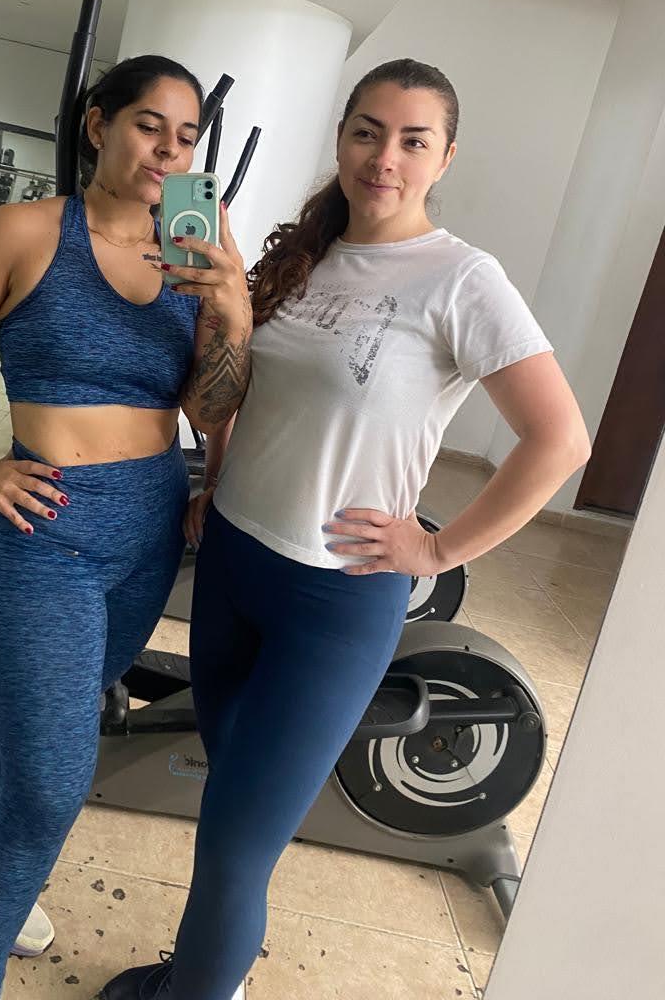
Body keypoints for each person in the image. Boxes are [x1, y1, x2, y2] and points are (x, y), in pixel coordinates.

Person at [97, 58, 591, 1000]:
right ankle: (207, 976)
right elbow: (249, 384)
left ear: (446, 157)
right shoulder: (308, 254)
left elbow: (560, 439)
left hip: (334, 602)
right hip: (233, 563)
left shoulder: (463, 278)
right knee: (225, 802)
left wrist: (438, 550)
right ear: (342, 137)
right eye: (367, 131)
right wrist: (221, 472)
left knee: (238, 847)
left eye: (413, 140)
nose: (384, 157)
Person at [0, 56, 253, 1000]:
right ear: (100, 126)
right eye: (148, 126)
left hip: (146, 536)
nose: (166, 152)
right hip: (46, 539)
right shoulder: (24, 232)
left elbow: (210, 408)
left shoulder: (196, 248)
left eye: (185, 138)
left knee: (37, 728)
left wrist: (230, 303)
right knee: (53, 786)